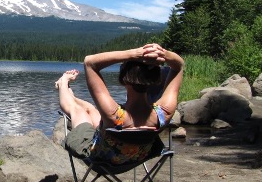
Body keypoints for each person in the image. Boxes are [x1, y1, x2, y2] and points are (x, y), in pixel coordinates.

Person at [56, 43, 184, 164]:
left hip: (100, 157)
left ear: (124, 79)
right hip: (134, 159)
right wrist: (162, 53)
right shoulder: (164, 113)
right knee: (90, 109)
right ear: (155, 78)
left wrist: (135, 53)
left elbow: (89, 62)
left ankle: (63, 83)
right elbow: (179, 65)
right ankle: (71, 95)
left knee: (77, 110)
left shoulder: (114, 115)